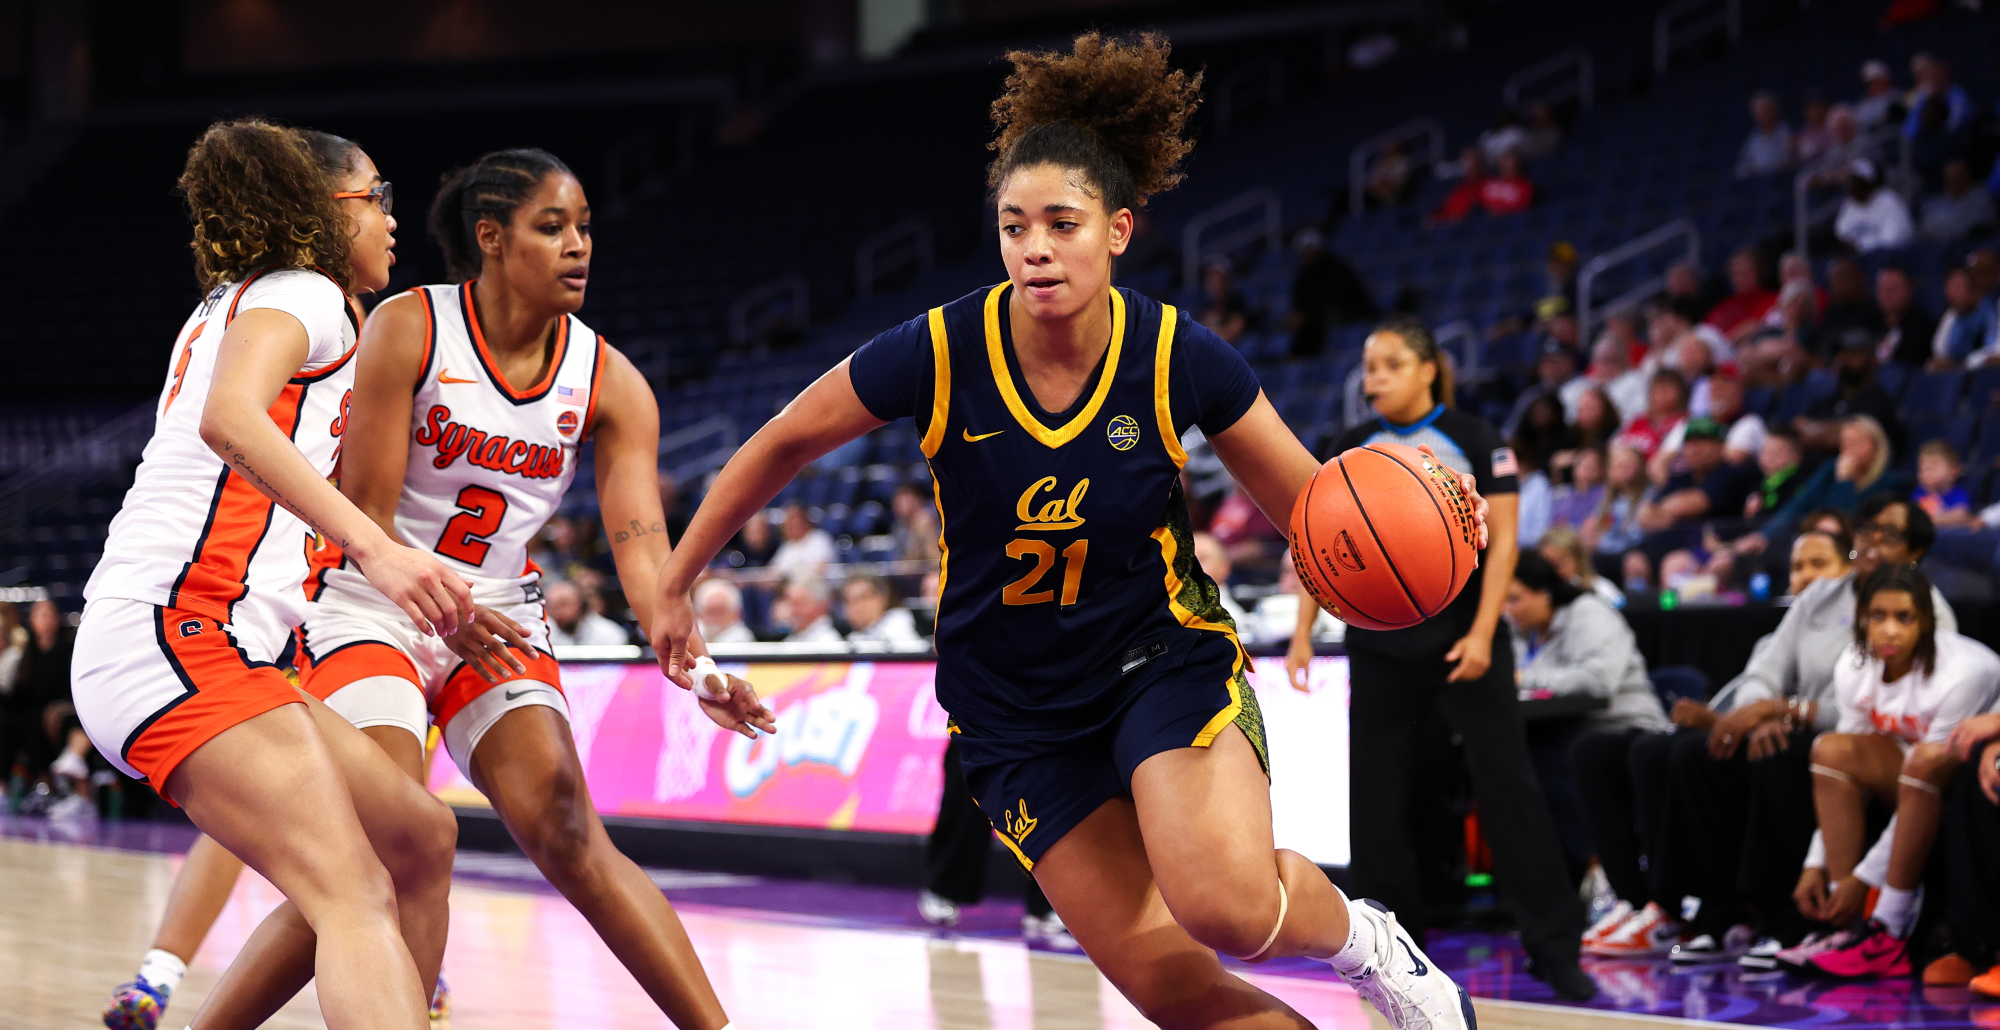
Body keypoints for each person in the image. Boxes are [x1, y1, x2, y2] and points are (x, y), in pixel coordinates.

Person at [664, 34, 1492, 1027]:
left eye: (1062, 223)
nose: (1035, 248)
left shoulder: (1178, 354)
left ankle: (1367, 942)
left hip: (1154, 658)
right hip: (1011, 711)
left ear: (1118, 230)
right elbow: (782, 441)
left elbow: (1318, 511)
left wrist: (1433, 503)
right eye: (1014, 226)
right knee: (1173, 990)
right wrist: (675, 581)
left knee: (1227, 909)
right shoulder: (939, 348)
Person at [295, 147, 774, 1030]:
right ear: (491, 237)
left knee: (566, 826)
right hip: (374, 595)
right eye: (552, 227)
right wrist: (438, 605)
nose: (578, 245)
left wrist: (698, 665)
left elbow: (643, 552)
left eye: (584, 228)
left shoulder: (612, 382)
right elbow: (364, 512)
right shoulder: (411, 325)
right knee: (392, 834)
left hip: (496, 612)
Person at [81, 118, 464, 1030]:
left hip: (206, 642)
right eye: (375, 196)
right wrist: (378, 550)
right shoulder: (306, 293)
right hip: (172, 633)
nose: (391, 218)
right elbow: (232, 420)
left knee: (420, 839)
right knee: (354, 893)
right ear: (324, 209)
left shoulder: (245, 301)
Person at [1296, 316, 1596, 1000]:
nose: (1374, 379)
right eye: (1369, 367)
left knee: (1508, 788)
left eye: (1391, 365)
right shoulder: (1348, 447)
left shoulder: (1477, 438)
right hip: (1380, 640)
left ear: (1429, 369)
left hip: (1464, 634)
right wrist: (1305, 630)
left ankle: (1554, 947)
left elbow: (1506, 542)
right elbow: (1316, 544)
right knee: (1377, 802)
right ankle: (1393, 961)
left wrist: (1486, 632)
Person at [1667, 499, 1957, 969]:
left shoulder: (1932, 615)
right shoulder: (1820, 596)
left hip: (1880, 748)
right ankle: (1711, 914)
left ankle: (1783, 920)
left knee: (1784, 755)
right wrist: (1758, 714)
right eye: (1866, 528)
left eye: (1889, 534)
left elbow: (1880, 713)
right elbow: (1765, 669)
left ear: (1915, 551)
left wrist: (1786, 712)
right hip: (1810, 728)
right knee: (1696, 753)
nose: (1872, 541)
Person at [1797, 564, 2000, 977]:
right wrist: (1815, 863)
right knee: (1830, 750)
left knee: (1922, 761)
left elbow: (1923, 781)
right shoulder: (1853, 666)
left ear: (1925, 622)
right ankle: (1847, 926)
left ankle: (1888, 927)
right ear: (1862, 620)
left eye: (1904, 618)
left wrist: (1864, 878)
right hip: (1912, 775)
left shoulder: (1962, 673)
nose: (1890, 631)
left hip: (1963, 777)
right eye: (1878, 617)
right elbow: (1850, 768)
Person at [1507, 551, 1672, 885]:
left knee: (1552, 757)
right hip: (1566, 726)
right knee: (1518, 757)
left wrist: (1527, 679)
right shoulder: (1526, 632)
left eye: (1515, 599)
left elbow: (1600, 680)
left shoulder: (1589, 612)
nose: (1508, 610)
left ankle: (1598, 871)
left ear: (1544, 593)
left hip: (1625, 725)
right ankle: (1551, 877)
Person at [1834, 159, 1915, 254]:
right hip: (1862, 256)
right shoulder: (1849, 204)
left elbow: (1891, 241)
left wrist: (1857, 245)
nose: (1850, 186)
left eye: (1854, 181)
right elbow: (1841, 233)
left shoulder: (1888, 200)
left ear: (1866, 182)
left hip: (1894, 255)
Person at [1874, 266, 1938, 369]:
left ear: (1908, 290)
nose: (1888, 295)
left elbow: (1909, 363)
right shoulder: (1872, 320)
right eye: (1883, 289)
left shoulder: (1919, 325)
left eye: (1893, 289)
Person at [1921, 160, 1995, 242]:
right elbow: (1926, 228)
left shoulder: (1980, 196)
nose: (1953, 183)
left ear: (1967, 178)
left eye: (1957, 178)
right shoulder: (1939, 200)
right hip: (1938, 244)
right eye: (1949, 179)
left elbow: (1973, 227)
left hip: (1970, 243)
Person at [545, 579, 630, 647]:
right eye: (553, 607)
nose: (558, 613)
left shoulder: (610, 634)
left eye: (563, 605)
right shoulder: (543, 632)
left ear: (579, 603)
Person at [841, 574, 922, 645]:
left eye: (863, 598)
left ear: (883, 598)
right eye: (849, 601)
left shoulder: (898, 629)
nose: (857, 606)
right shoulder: (852, 638)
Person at [1915, 439, 1973, 528]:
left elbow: (1961, 516)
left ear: (1954, 470)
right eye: (1923, 468)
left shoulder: (1958, 494)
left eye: (1933, 467)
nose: (1926, 472)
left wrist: (1927, 520)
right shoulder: (1918, 494)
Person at [1737, 91, 1795, 178]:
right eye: (1759, 112)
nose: (1762, 115)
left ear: (1773, 110)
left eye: (1765, 110)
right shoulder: (1753, 138)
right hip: (1758, 180)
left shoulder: (1785, 131)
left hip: (1780, 178)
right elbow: (1742, 166)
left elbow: (1789, 159)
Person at [770, 500, 837, 575]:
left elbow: (821, 568)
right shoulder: (787, 546)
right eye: (790, 522)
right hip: (789, 582)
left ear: (805, 520)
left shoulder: (820, 538)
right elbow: (773, 571)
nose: (794, 525)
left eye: (797, 520)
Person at [693, 578, 755, 644]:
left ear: (735, 613)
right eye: (709, 611)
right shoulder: (692, 632)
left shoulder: (742, 639)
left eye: (720, 611)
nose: (714, 617)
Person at [1478, 150, 1533, 217]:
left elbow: (1520, 208)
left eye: (1512, 162)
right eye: (1506, 161)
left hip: (1511, 219)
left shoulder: (1525, 186)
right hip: (1489, 219)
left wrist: (1499, 211)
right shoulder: (1489, 183)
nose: (1509, 165)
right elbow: (1481, 203)